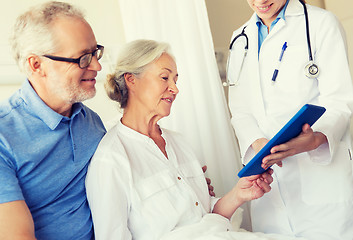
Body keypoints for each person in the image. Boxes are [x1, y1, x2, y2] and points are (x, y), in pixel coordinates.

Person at [85, 39, 309, 240]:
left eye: (175, 79)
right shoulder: (111, 159)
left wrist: (240, 193)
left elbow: (207, 216)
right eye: (165, 77)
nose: (175, 88)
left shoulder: (178, 143)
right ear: (131, 80)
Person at [226, 0, 353, 239]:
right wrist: (259, 144)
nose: (260, 1)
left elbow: (339, 100)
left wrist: (316, 138)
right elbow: (240, 109)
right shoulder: (240, 38)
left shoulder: (321, 23)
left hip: (320, 180)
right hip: (269, 184)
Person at [0, 2, 107, 239]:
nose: (97, 66)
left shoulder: (92, 123)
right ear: (36, 65)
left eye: (95, 52)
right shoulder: (3, 137)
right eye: (83, 58)